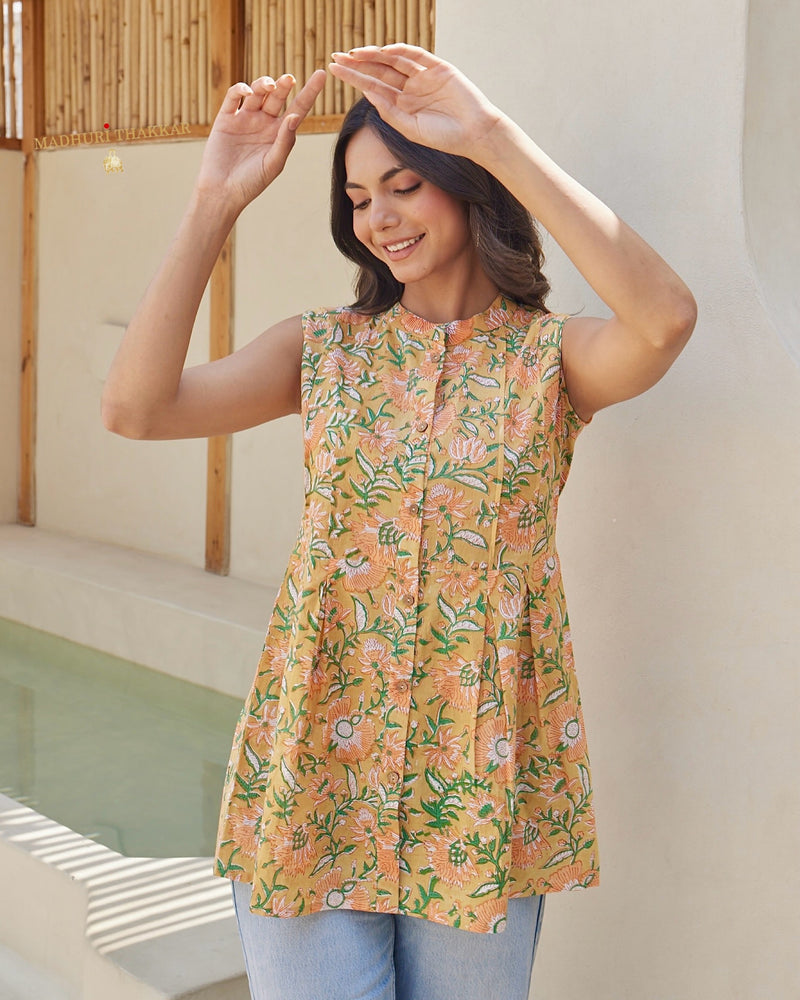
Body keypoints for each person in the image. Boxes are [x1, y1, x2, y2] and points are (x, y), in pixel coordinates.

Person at [102, 44, 696, 1000]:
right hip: (314, 774)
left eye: (404, 185)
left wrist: (495, 136)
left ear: (467, 187)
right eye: (357, 198)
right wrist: (215, 197)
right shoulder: (324, 351)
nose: (376, 216)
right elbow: (137, 408)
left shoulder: (553, 362)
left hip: (477, 787)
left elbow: (665, 319)